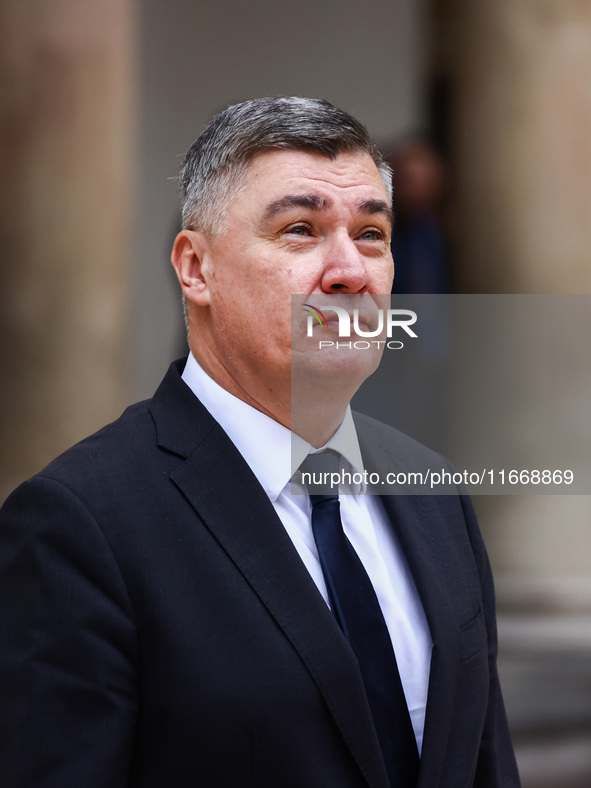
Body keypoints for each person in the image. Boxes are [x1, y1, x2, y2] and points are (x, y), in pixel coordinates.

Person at [0, 97, 520, 787]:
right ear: (195, 268)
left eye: (371, 234)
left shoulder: (434, 493)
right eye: (300, 230)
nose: (349, 272)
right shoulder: (80, 524)